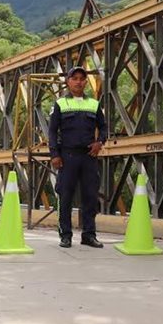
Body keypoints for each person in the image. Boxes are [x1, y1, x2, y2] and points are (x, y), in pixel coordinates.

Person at [48, 66, 107, 249]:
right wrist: (55, 154)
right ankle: (65, 235)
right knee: (65, 196)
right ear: (68, 81)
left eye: (82, 78)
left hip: (88, 157)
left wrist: (100, 142)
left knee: (90, 197)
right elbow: (52, 131)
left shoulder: (94, 104)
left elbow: (103, 127)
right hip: (68, 156)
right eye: (75, 78)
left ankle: (89, 235)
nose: (79, 82)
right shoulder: (60, 104)